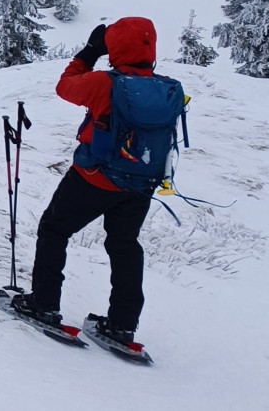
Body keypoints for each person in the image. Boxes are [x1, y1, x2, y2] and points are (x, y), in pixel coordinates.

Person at [10, 17, 162, 347]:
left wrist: (91, 51)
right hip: (140, 183)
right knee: (125, 245)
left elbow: (65, 86)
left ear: (115, 47)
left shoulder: (106, 83)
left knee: (54, 229)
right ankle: (121, 326)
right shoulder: (167, 89)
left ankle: (44, 305)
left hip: (96, 177)